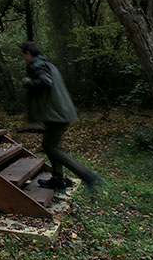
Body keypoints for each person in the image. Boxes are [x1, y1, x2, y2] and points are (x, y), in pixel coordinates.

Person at [19, 41, 103, 192]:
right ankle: (58, 181)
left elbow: (45, 81)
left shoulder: (37, 64)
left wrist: (28, 82)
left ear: (28, 53)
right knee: (52, 146)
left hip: (56, 115)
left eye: (23, 55)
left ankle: (86, 175)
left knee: (49, 146)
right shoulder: (47, 64)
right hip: (59, 113)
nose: (22, 58)